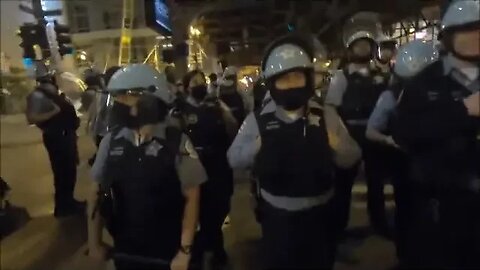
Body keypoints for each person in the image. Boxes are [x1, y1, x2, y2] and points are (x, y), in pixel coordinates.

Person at [228, 34, 361, 269]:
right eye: (284, 80)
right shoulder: (257, 120)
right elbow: (233, 158)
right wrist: (256, 147)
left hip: (320, 216)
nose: (291, 85)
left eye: (297, 77)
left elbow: (352, 156)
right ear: (272, 83)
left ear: (308, 79)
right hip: (278, 218)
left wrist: (334, 143)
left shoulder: (326, 116)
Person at [87, 64, 207, 270]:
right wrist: (94, 243)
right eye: (116, 97)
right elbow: (95, 194)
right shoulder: (111, 142)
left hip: (168, 252)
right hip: (126, 249)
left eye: (126, 96)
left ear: (151, 99)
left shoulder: (175, 141)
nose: (118, 103)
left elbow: (192, 196)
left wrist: (185, 250)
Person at [393, 1, 480, 268]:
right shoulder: (425, 81)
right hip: (444, 202)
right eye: (467, 31)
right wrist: (463, 110)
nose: (475, 38)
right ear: (450, 36)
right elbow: (405, 131)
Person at [366, 39, 439, 263]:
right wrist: (390, 140)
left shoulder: (442, 95)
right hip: (404, 164)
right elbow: (371, 130)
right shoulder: (390, 96)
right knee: (407, 213)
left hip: (434, 165)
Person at [325, 26, 391, 238]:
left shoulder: (381, 75)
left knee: (376, 182)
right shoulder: (341, 77)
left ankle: (379, 222)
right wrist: (339, 137)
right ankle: (338, 227)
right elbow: (331, 107)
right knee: (343, 184)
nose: (363, 49)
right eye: (358, 45)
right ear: (350, 50)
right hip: (350, 132)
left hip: (375, 134)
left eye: (366, 45)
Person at [178, 70, 237, 269]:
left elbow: (232, 128)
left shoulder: (216, 105)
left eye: (202, 81)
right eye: (195, 81)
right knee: (196, 210)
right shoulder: (179, 111)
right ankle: (205, 249)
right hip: (193, 167)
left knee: (219, 208)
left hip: (217, 166)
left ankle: (211, 244)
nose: (200, 84)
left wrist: (224, 112)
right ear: (187, 87)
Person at [26, 62, 83, 218]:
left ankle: (68, 202)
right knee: (62, 173)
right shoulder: (38, 95)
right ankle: (63, 207)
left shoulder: (52, 93)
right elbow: (32, 118)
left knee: (69, 171)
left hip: (66, 135)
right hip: (56, 137)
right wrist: (54, 112)